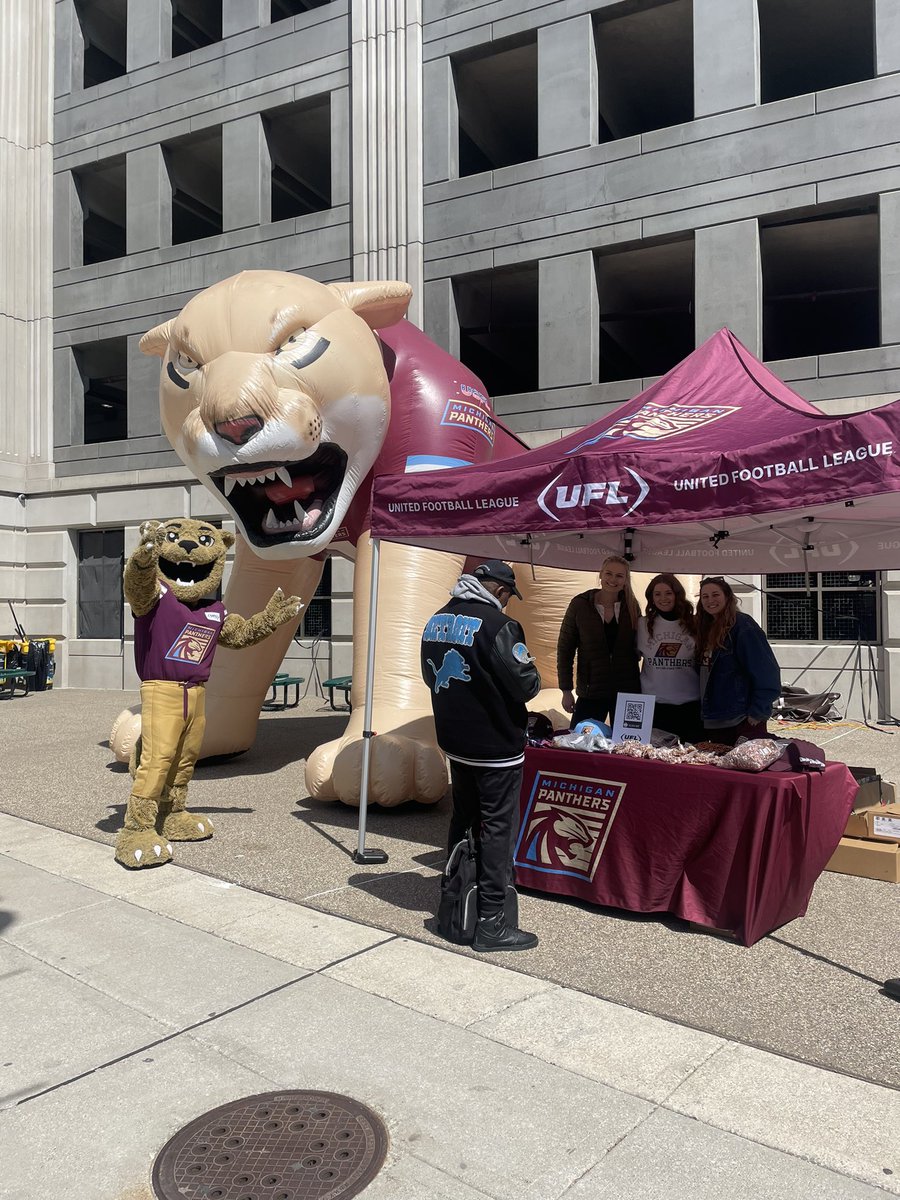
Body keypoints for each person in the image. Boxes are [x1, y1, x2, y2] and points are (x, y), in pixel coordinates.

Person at [421, 559, 541, 952]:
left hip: (456, 741)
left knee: (463, 819)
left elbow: (429, 675)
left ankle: (452, 901)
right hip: (495, 747)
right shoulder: (499, 625)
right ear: (500, 591)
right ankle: (491, 921)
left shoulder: (436, 619)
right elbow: (527, 685)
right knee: (497, 830)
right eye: (507, 596)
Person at [557, 555, 641, 727]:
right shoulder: (580, 605)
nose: (613, 579)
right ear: (601, 575)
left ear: (626, 580)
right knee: (580, 745)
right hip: (591, 691)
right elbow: (565, 649)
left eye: (619, 576)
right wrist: (566, 690)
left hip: (627, 691)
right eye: (609, 573)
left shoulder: (631, 606)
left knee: (629, 749)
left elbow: (640, 646)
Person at [696, 576, 781, 744]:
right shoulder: (704, 627)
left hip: (740, 718)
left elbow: (767, 671)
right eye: (705, 597)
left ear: (727, 597)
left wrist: (758, 711)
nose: (710, 600)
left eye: (715, 595)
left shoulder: (743, 626)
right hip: (714, 718)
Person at [637, 573, 702, 743]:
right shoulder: (642, 625)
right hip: (655, 706)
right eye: (657, 594)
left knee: (691, 759)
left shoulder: (694, 623)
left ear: (677, 595)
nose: (663, 598)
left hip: (689, 705)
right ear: (651, 598)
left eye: (668, 593)